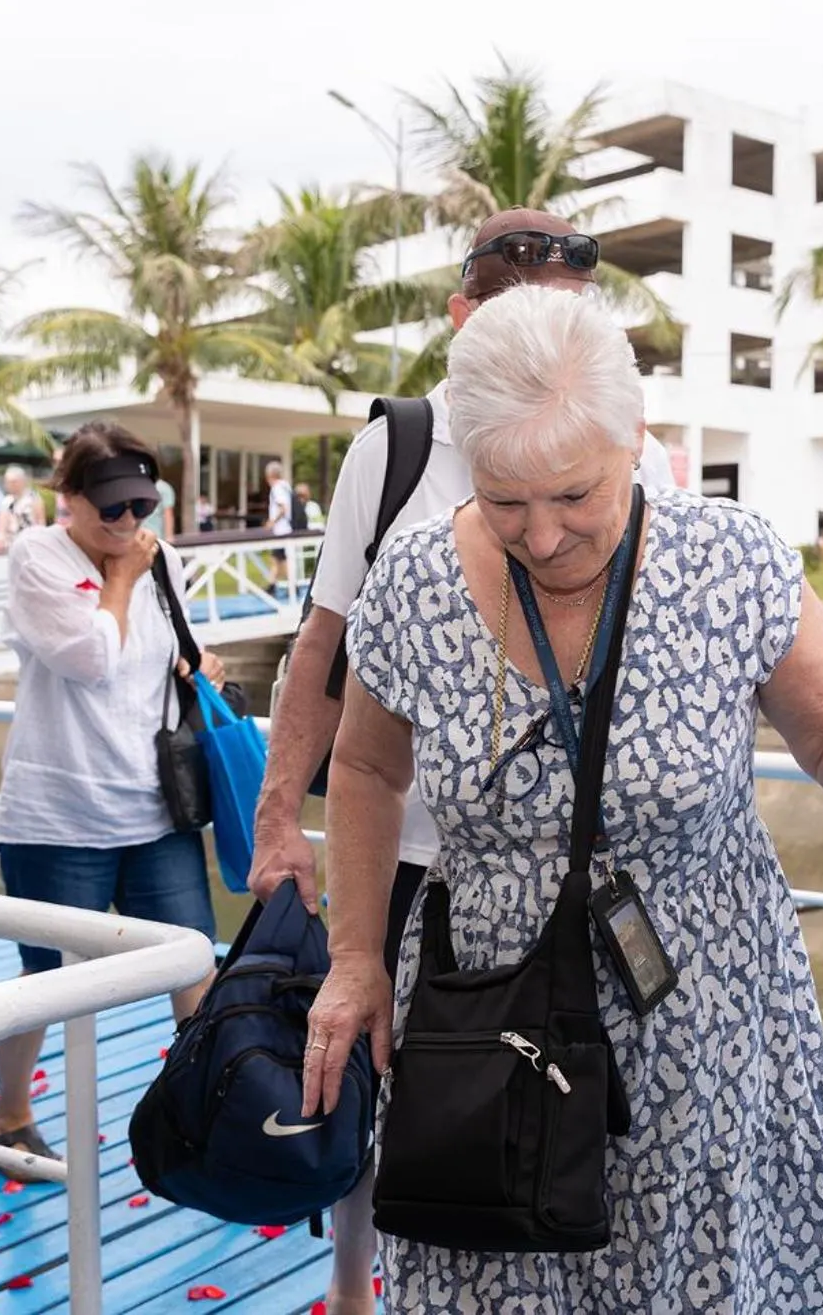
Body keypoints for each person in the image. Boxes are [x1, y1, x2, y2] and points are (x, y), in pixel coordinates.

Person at [302, 286, 823, 1314]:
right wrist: (352, 959)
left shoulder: (727, 562)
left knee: (690, 1274)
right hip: (492, 1013)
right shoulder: (415, 581)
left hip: (699, 1010)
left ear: (633, 440)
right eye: (506, 500)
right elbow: (367, 770)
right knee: (495, 1264)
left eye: (574, 495)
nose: (544, 536)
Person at [249, 208, 678, 1312]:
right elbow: (321, 644)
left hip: (578, 862)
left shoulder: (638, 451)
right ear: (461, 319)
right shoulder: (394, 448)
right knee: (387, 1075)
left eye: (566, 319)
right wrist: (273, 818)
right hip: (410, 856)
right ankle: (358, 1286)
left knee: (589, 1094)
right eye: (512, 314)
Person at [0, 421, 225, 1175]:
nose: (127, 524)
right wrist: (119, 580)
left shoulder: (164, 560)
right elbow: (89, 659)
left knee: (191, 961)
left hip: (154, 806)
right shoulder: (37, 558)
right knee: (48, 976)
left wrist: (193, 660)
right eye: (110, 508)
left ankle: (205, 1109)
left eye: (139, 508)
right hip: (59, 814)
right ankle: (11, 1112)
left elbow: (166, 650)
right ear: (69, 498)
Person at [0, 464, 45, 555]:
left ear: (22, 481)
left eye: (14, 482)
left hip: (31, 543)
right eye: (8, 482)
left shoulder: (33, 498)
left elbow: (40, 522)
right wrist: (0, 538)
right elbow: (1, 525)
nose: (10, 485)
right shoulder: (6, 501)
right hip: (11, 545)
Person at [262, 460, 293, 595]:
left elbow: (283, 508)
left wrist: (272, 522)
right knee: (281, 559)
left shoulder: (277, 488)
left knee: (276, 559)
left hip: (281, 530)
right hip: (287, 528)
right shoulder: (286, 486)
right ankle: (279, 584)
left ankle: (273, 585)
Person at [141, 473, 177, 540]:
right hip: (150, 536)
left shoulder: (163, 488)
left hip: (155, 537)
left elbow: (168, 514)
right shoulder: (165, 487)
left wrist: (169, 537)